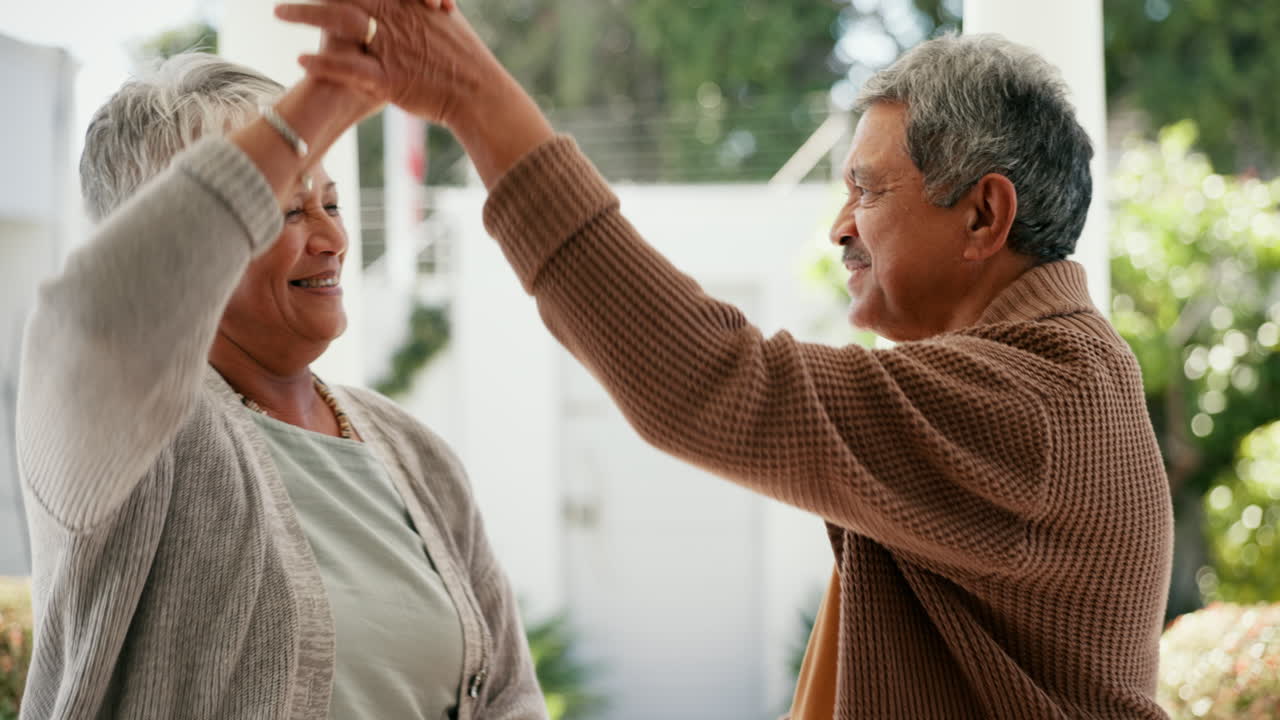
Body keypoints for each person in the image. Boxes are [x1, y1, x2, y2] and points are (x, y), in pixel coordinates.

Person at [278, 2, 1175, 718]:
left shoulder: (1033, 406)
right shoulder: (1044, 381)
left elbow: (710, 381)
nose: (839, 227)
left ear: (984, 215)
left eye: (867, 189)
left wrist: (476, 98)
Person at [16, 42, 546, 720]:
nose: (331, 238)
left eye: (331, 203)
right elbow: (94, 314)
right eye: (287, 211)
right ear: (183, 240)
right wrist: (326, 95)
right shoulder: (118, 433)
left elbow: (508, 696)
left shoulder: (416, 453)